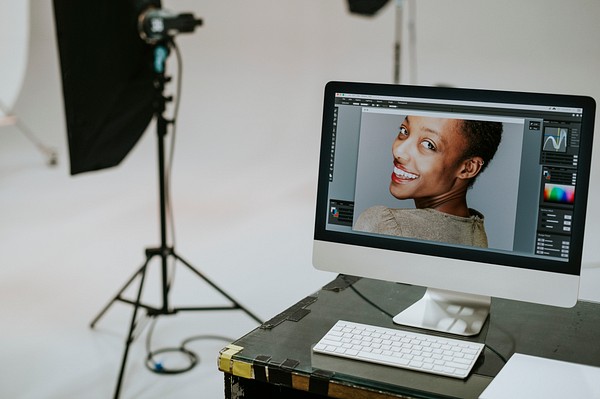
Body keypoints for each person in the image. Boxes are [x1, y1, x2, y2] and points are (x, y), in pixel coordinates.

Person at [354, 115, 502, 247]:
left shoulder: (386, 226)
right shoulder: (476, 237)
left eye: (428, 145)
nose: (399, 151)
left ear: (468, 168)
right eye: (404, 131)